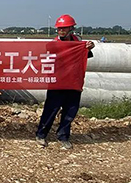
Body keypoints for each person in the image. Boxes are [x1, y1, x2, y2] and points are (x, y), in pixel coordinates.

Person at [36, 14, 94, 150]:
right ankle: (41, 134)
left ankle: (63, 136)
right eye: (59, 29)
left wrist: (88, 48)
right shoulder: (54, 44)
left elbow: (85, 56)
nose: (61, 31)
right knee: (51, 109)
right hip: (57, 82)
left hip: (73, 82)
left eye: (64, 29)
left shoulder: (78, 42)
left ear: (71, 29)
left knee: (70, 111)